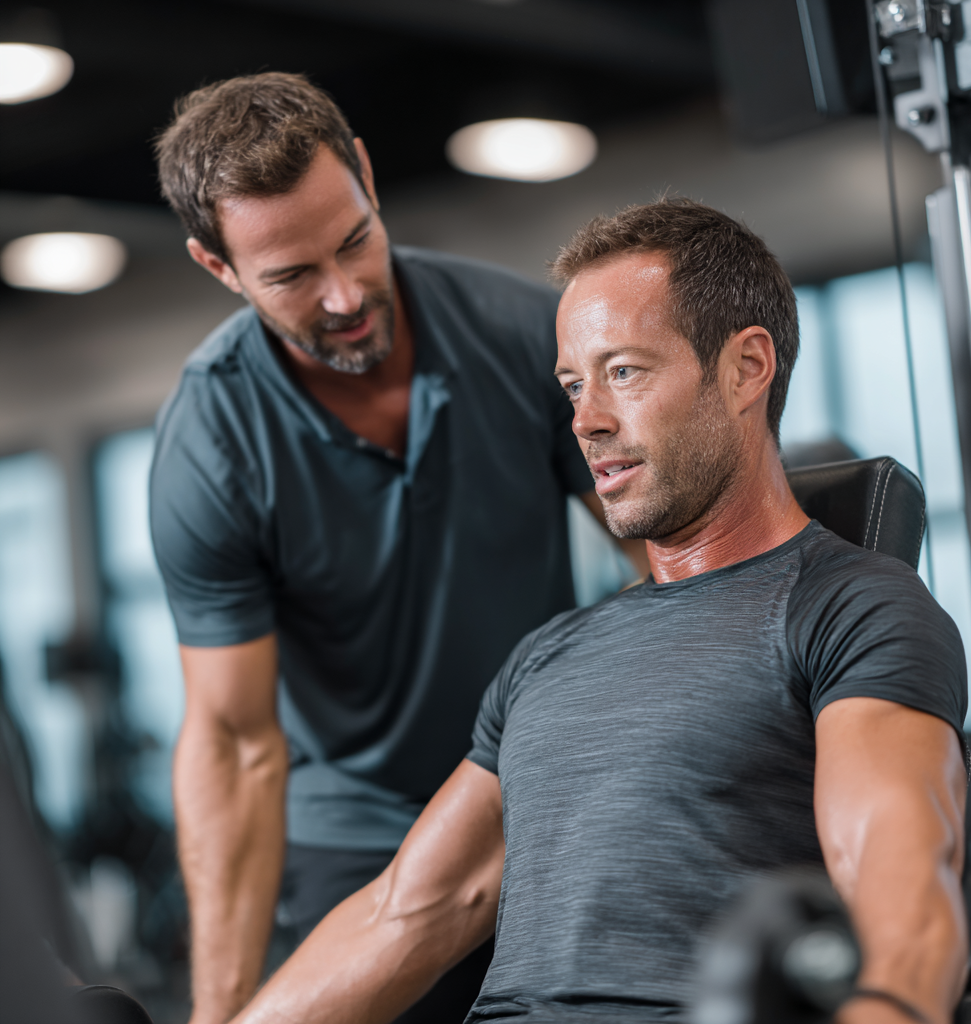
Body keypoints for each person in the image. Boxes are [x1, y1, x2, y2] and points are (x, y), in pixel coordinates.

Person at [229, 199, 969, 1024]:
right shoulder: (551, 654)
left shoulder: (849, 609)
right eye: (573, 385)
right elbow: (403, 911)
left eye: (623, 372)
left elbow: (899, 889)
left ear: (746, 368)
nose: (586, 420)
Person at [149, 72, 645, 1024]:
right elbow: (235, 743)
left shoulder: (520, 337)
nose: (344, 297)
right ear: (219, 267)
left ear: (366, 175)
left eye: (354, 241)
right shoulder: (210, 447)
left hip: (535, 799)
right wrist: (218, 1011)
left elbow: (663, 563)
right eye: (291, 276)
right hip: (356, 838)